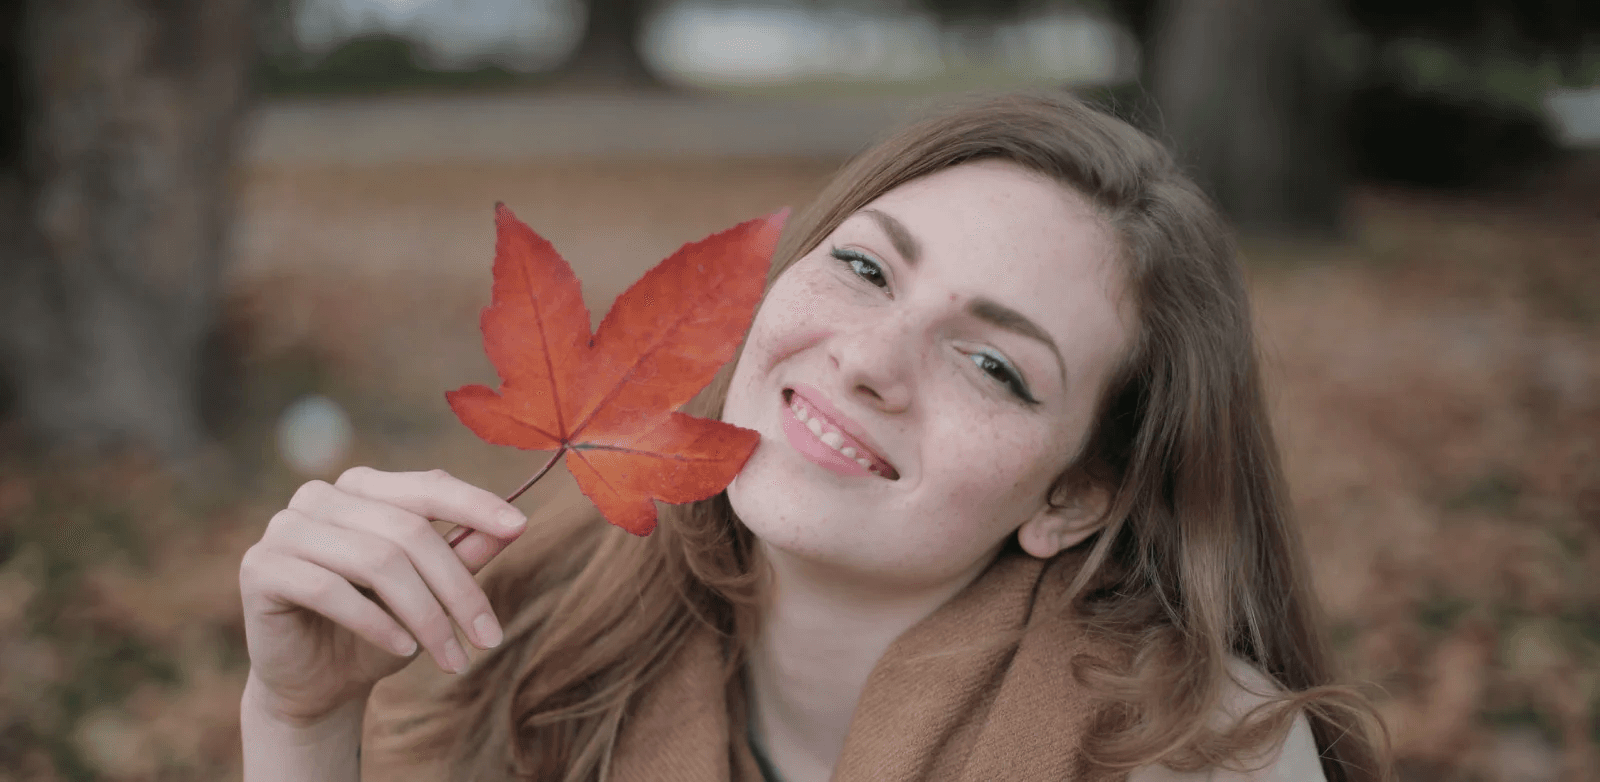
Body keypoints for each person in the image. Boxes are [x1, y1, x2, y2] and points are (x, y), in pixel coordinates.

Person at [238, 91, 1390, 781]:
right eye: (862, 265)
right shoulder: (536, 634)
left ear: (1072, 497)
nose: (867, 360)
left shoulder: (1200, 761)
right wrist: (302, 719)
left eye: (992, 363)